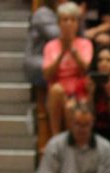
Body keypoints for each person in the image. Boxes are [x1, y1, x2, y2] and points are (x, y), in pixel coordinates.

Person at [42, 2, 93, 134]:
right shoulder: (50, 46)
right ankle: (56, 137)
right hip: (58, 93)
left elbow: (86, 70)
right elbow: (47, 75)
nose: (69, 23)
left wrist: (73, 51)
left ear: (77, 23)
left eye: (72, 19)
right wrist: (61, 54)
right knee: (56, 90)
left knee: (71, 106)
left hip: (79, 92)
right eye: (65, 20)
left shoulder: (85, 44)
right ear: (59, 23)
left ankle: (71, 142)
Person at [84, 45, 110, 150]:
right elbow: (85, 113)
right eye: (100, 60)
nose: (104, 63)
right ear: (95, 63)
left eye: (108, 60)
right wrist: (90, 94)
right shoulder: (86, 83)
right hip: (92, 125)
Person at [24, 0, 61, 88]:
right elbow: (56, 35)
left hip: (51, 59)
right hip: (38, 62)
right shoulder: (42, 13)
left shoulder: (55, 12)